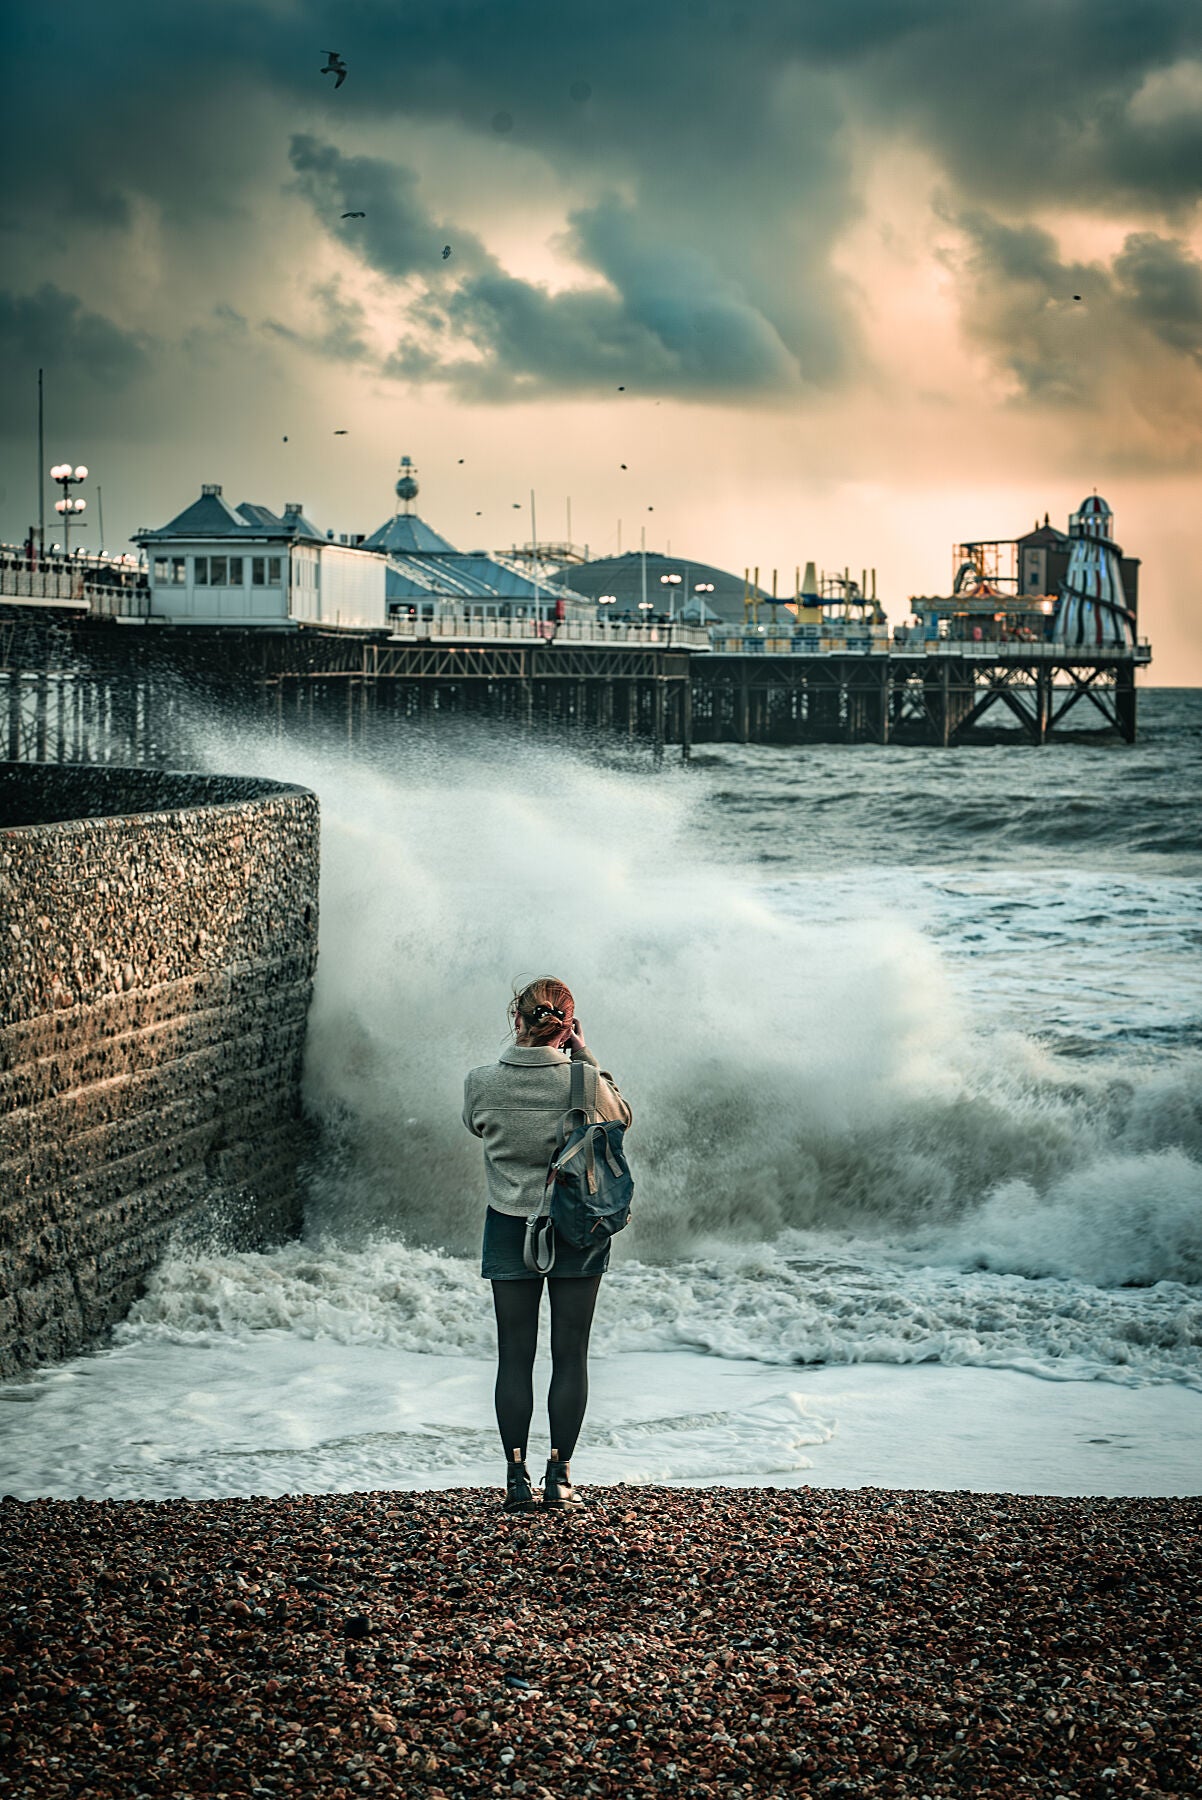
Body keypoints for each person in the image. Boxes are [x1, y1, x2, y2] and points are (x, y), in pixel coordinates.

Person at [463, 977, 632, 1512]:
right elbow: (621, 1116)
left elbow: (478, 1126)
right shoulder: (582, 1082)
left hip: (510, 1224)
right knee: (569, 1355)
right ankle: (559, 1476)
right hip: (575, 1226)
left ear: (518, 1018)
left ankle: (515, 1477)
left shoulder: (481, 1082)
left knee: (514, 1356)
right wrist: (583, 1054)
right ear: (567, 1024)